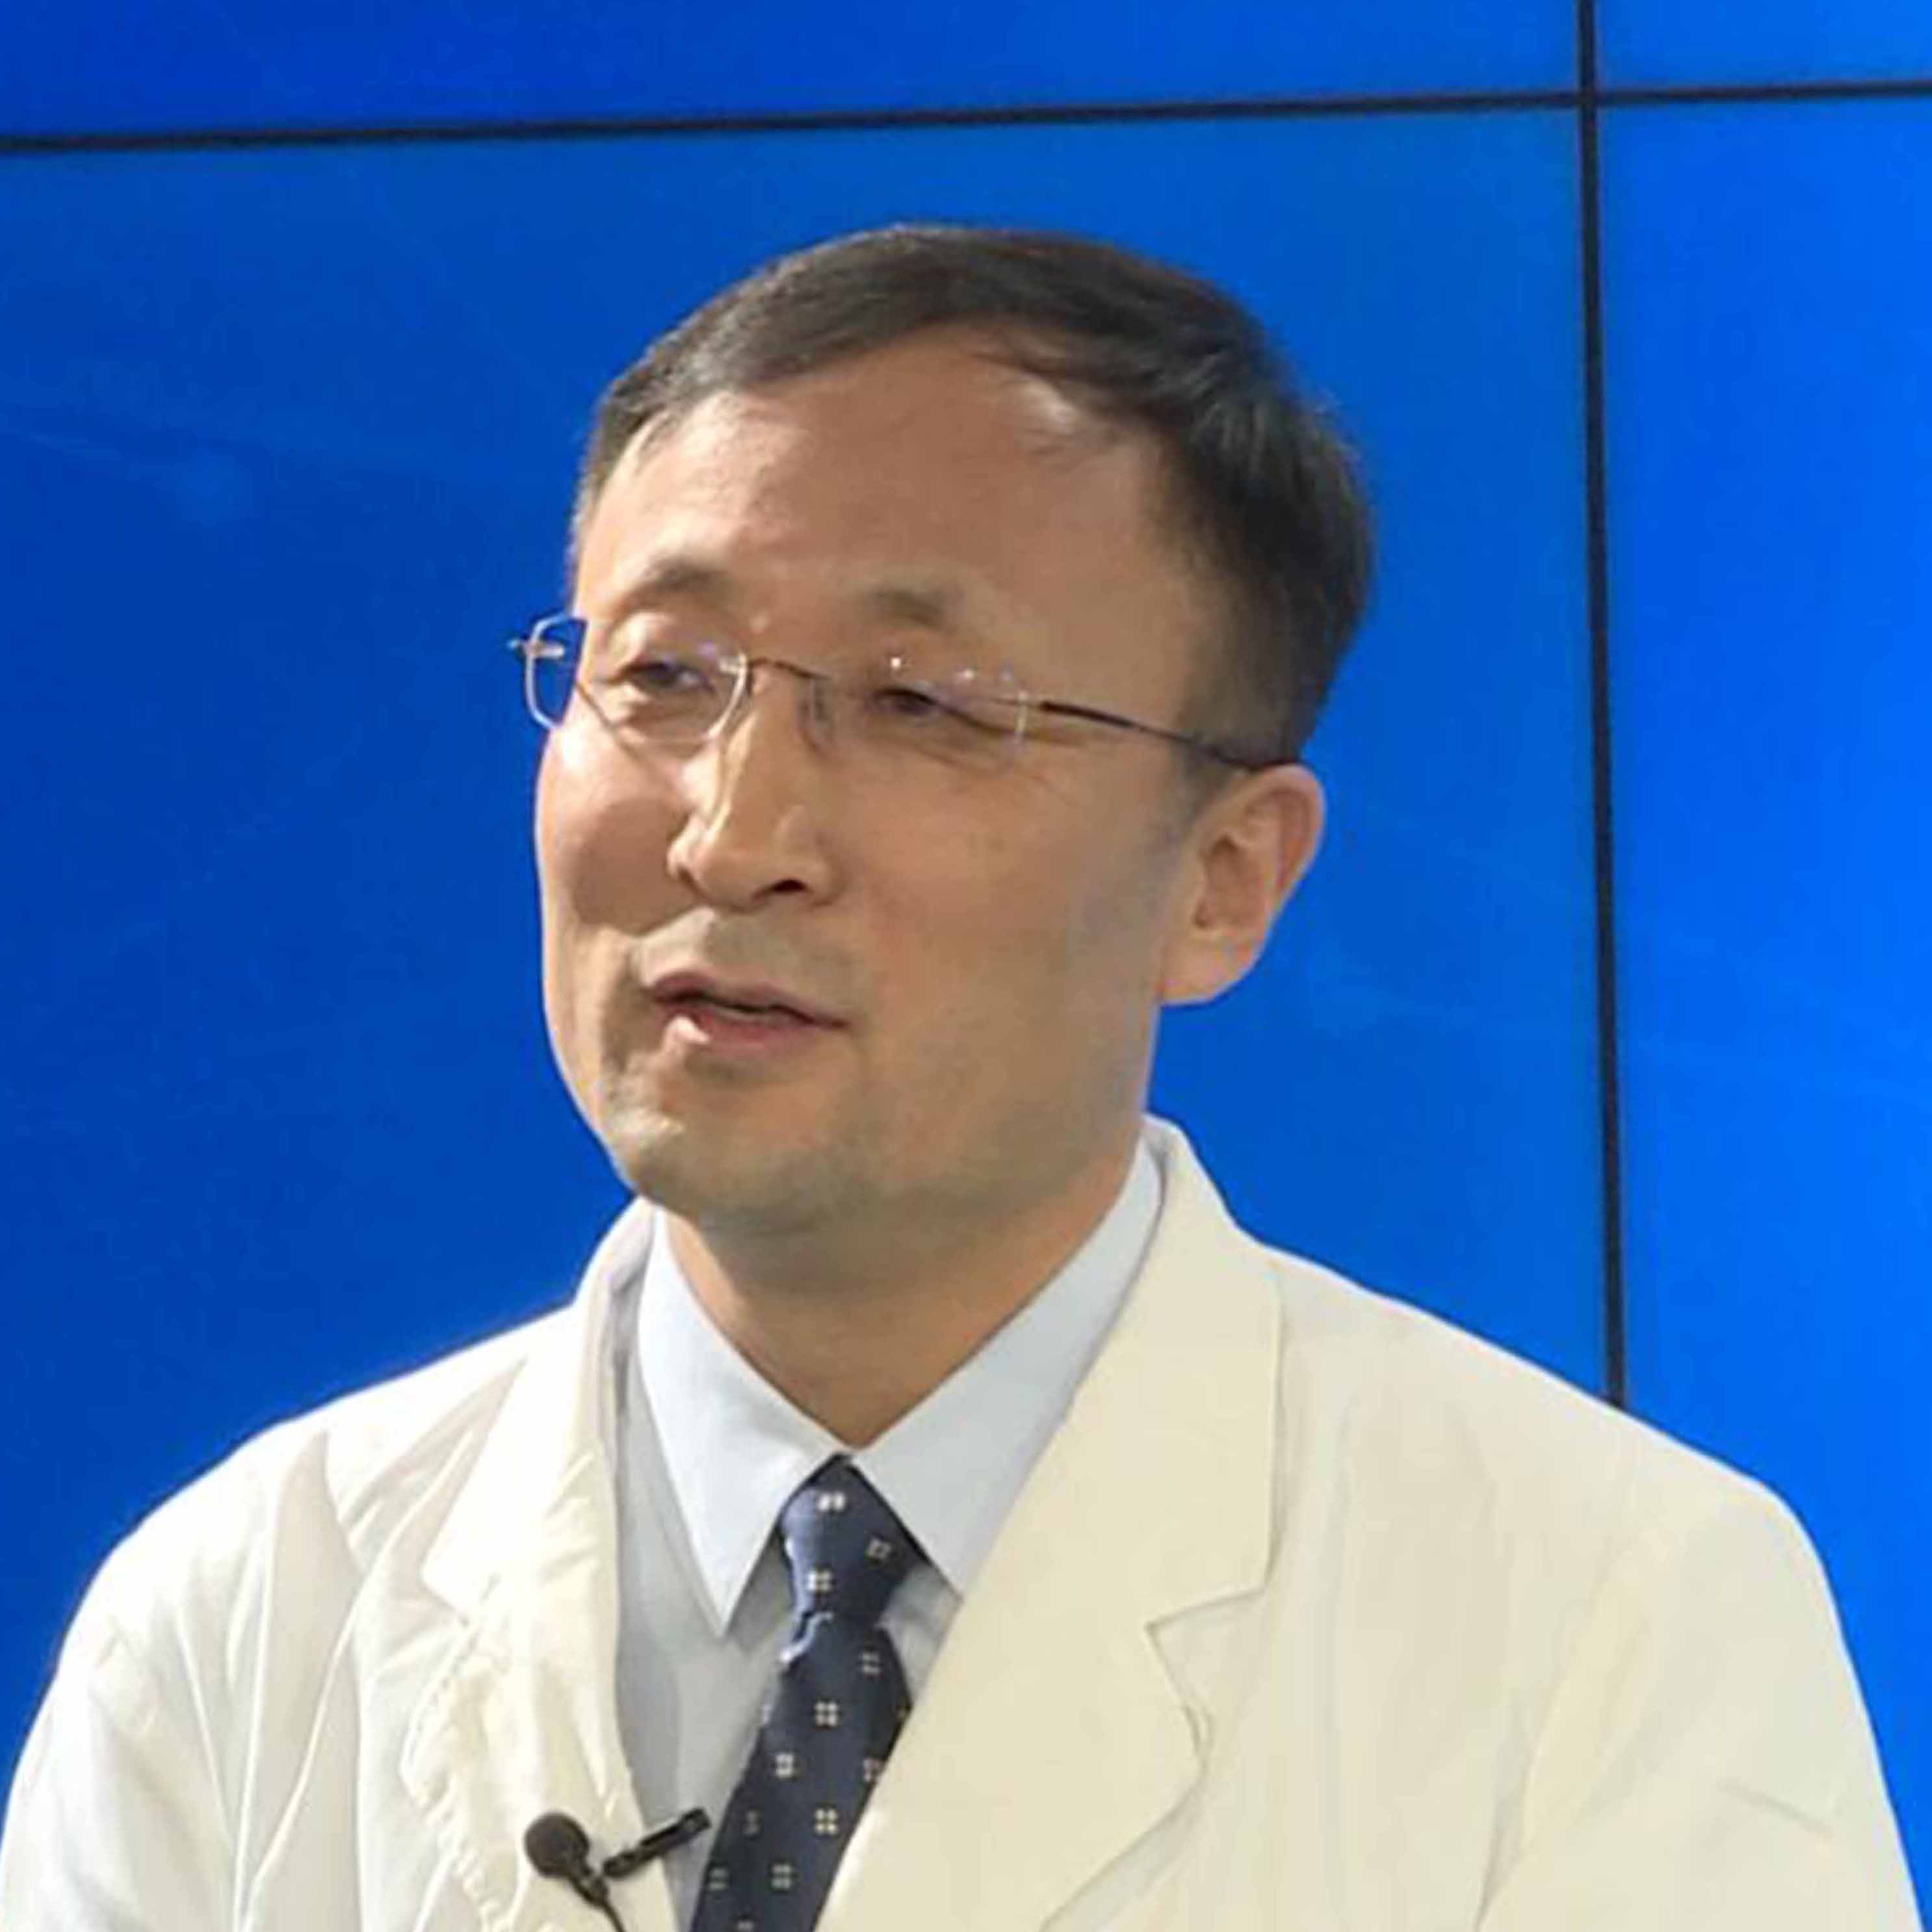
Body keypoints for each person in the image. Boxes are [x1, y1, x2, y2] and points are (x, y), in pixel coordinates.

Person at [0, 224, 1918, 1932]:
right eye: (661, 676)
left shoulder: (1610, 1621)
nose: (732, 833)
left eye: (918, 702)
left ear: (1224, 878)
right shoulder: (245, 1614)